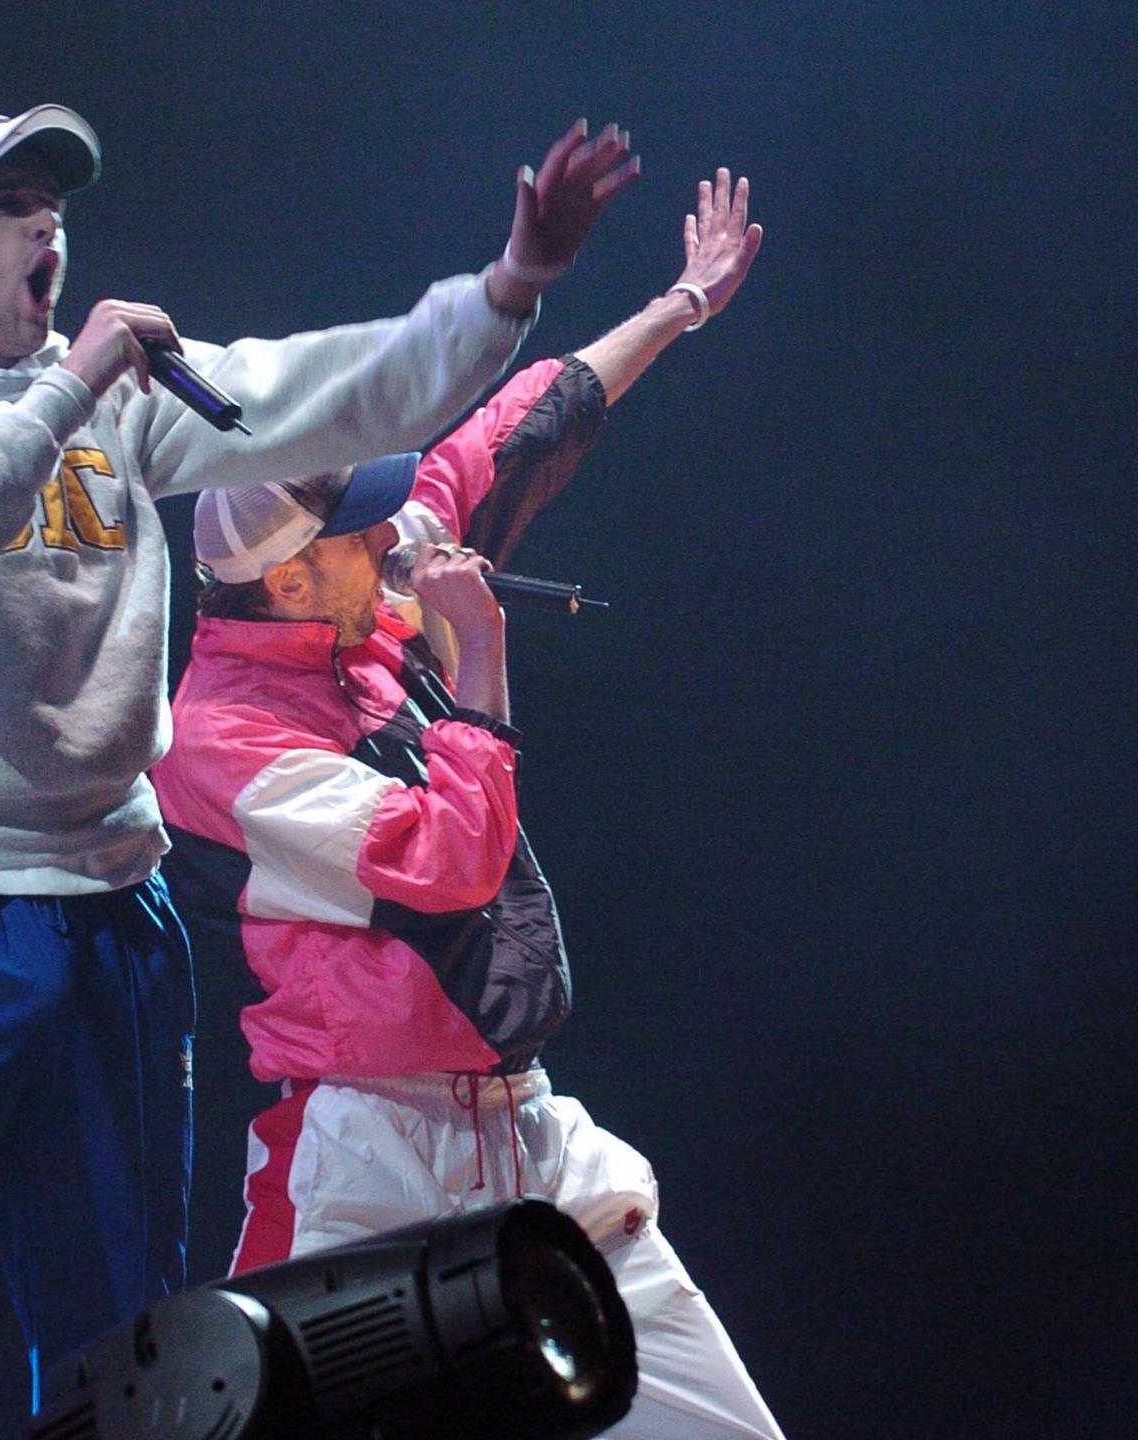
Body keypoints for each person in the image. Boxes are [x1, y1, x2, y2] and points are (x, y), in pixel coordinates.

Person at [0, 104, 637, 1440]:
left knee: (130, 1342)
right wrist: (67, 389)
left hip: (110, 909)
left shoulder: (124, 403)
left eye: (57, 205)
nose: (47, 228)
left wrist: (513, 284)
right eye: (10, 204)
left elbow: (336, 385)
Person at [151, 168, 779, 1440]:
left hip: (530, 1135)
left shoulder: (363, 597)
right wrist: (480, 661)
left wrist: (679, 306)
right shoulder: (218, 741)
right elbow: (446, 863)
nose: (395, 534)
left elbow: (519, 425)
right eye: (362, 528)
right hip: (368, 1174)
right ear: (278, 582)